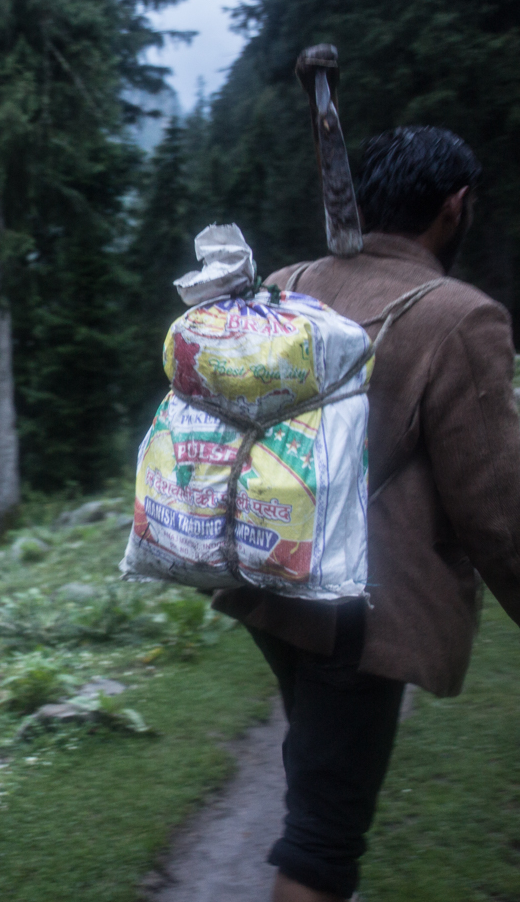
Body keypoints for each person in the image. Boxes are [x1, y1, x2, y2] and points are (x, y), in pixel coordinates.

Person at [212, 126, 520, 902]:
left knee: (319, 771)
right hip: (359, 607)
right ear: (454, 207)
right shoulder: (460, 317)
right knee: (323, 839)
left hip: (270, 574)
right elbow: (496, 505)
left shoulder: (290, 281)